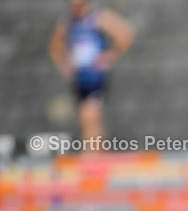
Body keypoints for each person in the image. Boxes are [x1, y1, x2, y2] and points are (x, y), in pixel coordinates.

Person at [49, 0, 135, 143]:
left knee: (90, 117)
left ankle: (90, 156)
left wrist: (111, 56)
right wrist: (64, 65)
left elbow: (126, 34)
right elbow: (54, 47)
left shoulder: (98, 17)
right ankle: (100, 158)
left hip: (95, 78)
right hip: (79, 79)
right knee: (88, 120)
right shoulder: (67, 22)